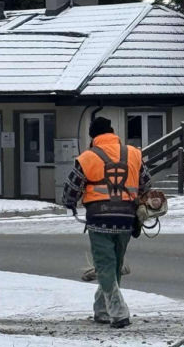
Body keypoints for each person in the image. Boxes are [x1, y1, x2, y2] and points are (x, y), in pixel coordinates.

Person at [62, 116, 151, 328]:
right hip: (126, 218)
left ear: (93, 137)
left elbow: (71, 187)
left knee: (105, 267)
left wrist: (70, 203)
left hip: (99, 218)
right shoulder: (134, 153)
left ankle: (119, 313)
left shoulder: (87, 157)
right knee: (115, 264)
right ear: (112, 132)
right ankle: (102, 310)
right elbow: (146, 183)